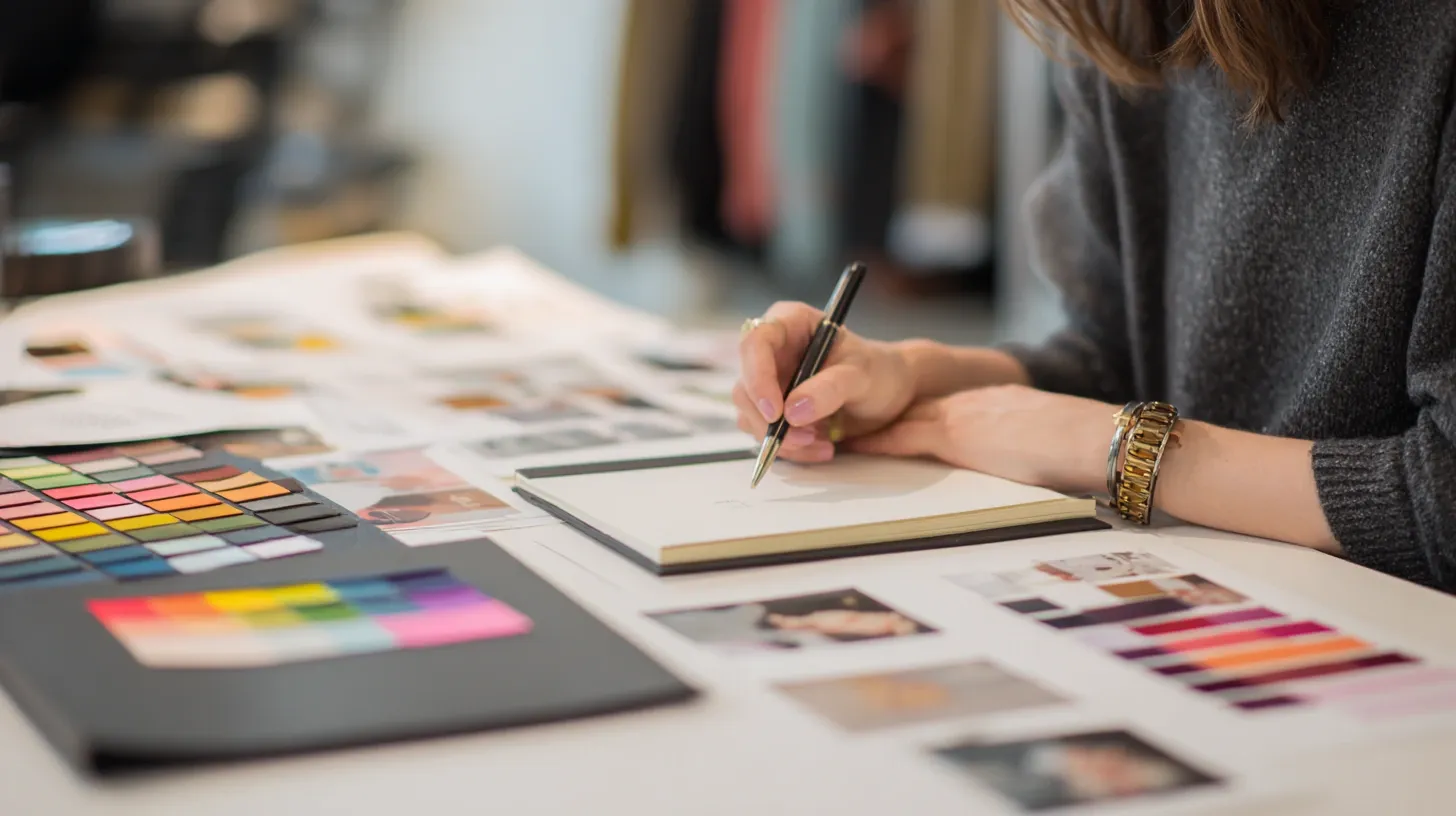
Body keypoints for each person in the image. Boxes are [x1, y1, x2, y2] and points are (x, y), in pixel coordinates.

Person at [732, 0, 1456, 594]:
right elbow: (1120, 352)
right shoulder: (1124, 25)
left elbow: (1442, 499)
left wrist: (1115, 448)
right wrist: (910, 375)